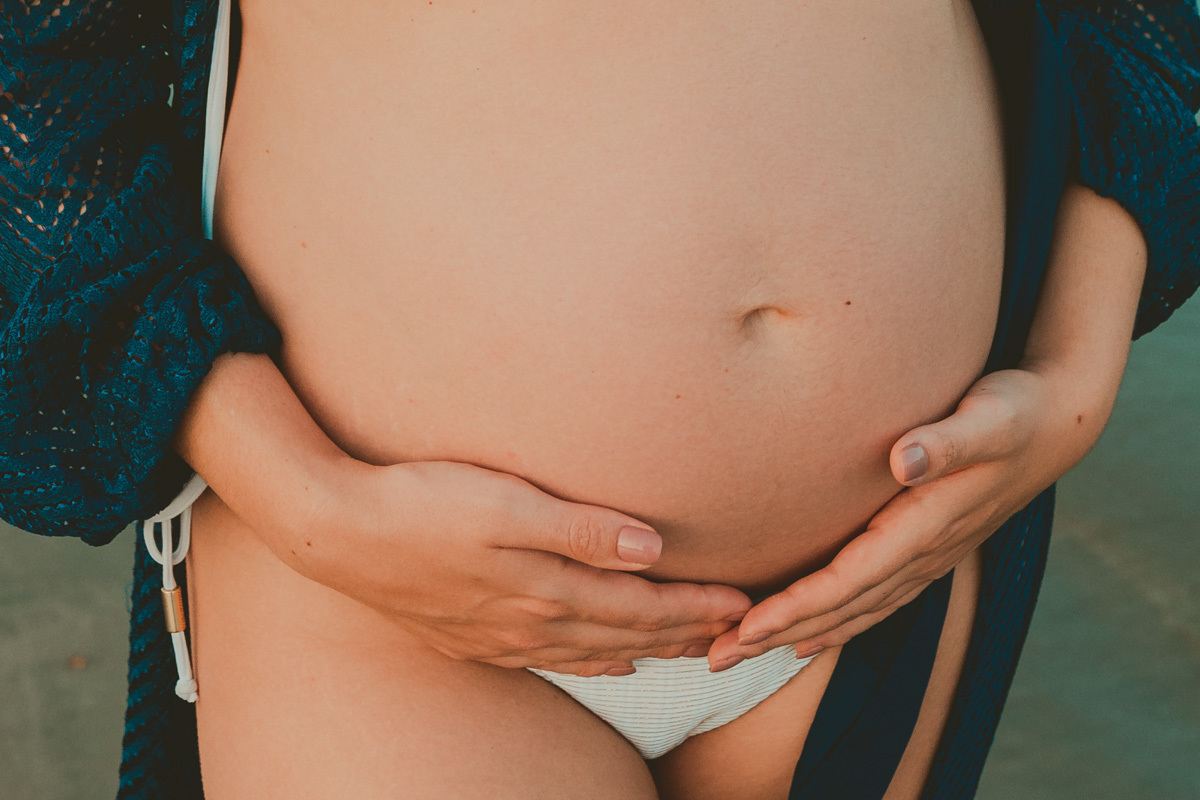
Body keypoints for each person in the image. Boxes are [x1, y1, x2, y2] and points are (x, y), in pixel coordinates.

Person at [0, 1, 1196, 798]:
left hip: (888, 569)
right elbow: (31, 75)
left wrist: (1074, 368)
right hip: (385, 595)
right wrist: (305, 499)